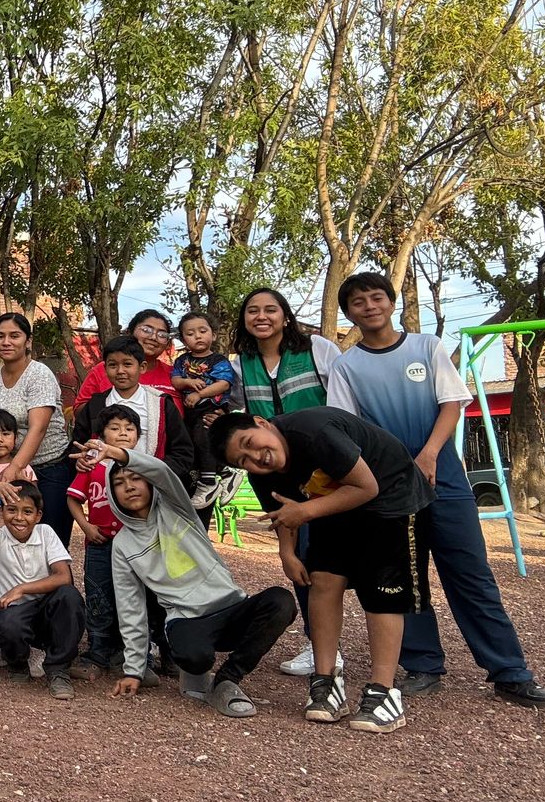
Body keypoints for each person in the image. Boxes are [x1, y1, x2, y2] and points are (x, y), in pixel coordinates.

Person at [329, 272, 545, 710]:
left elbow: (452, 403)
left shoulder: (426, 347)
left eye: (376, 297)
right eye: (357, 302)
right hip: (389, 488)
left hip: (446, 480)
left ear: (390, 302)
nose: (369, 306)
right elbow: (347, 426)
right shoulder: (347, 366)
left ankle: (510, 672)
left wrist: (431, 454)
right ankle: (423, 665)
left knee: (472, 576)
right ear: (349, 313)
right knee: (408, 580)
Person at [213, 407, 436, 733]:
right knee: (323, 581)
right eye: (242, 460)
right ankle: (326, 681)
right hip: (333, 505)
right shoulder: (263, 474)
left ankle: (383, 692)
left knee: (380, 593)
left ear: (262, 423)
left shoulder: (312, 432)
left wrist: (305, 511)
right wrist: (287, 553)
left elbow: (366, 487)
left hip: (391, 498)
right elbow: (283, 512)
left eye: (250, 443)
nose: (255, 458)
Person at [99, 445, 295, 718]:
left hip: (230, 609)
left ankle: (227, 680)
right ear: (112, 494)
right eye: (119, 483)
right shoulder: (122, 545)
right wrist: (134, 670)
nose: (129, 487)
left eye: (136, 478)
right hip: (187, 620)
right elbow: (130, 605)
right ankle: (195, 672)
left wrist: (119, 454)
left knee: (281, 601)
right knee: (194, 656)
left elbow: (163, 472)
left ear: (149, 481)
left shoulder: (177, 508)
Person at [233, 286, 344, 677]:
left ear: (285, 316)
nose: (261, 317)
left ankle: (408, 650)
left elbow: (345, 398)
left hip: (333, 462)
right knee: (300, 558)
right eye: (252, 311)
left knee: (351, 558)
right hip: (280, 469)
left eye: (270, 309)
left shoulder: (318, 349)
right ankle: (321, 645)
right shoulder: (239, 364)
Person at [0, 481, 84, 699]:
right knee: (7, 623)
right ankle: (17, 662)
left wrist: (22, 588)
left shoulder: (46, 533)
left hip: (46, 612)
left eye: (27, 512)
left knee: (70, 597)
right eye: (11, 510)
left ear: (38, 515)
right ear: (2, 512)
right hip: (15, 615)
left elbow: (64, 577)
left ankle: (58, 670)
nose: (19, 518)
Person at [0, 312, 73, 545]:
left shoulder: (39, 374)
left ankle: (61, 583)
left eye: (15, 336)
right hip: (9, 469)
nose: (6, 342)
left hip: (49, 467)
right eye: (0, 336)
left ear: (28, 341)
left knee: (49, 542)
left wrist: (16, 466)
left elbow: (38, 428)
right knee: (13, 541)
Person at [65, 406, 142, 678]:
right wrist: (85, 526)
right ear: (101, 435)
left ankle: (128, 654)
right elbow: (73, 498)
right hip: (99, 543)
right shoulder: (92, 465)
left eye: (129, 429)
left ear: (138, 436)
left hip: (133, 545)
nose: (122, 433)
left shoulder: (141, 466)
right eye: (115, 428)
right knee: (98, 595)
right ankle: (97, 652)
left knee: (131, 596)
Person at [72, 335, 194, 485]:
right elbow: (77, 445)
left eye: (127, 364)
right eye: (113, 365)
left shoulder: (161, 403)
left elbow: (182, 453)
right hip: (105, 489)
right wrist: (80, 461)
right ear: (105, 369)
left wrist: (152, 473)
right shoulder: (96, 405)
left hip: (154, 487)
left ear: (142, 367)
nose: (120, 371)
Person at [171, 311, 236, 514]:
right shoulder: (182, 361)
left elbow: (223, 384)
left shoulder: (219, 360)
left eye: (202, 331)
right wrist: (188, 382)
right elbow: (175, 380)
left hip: (210, 407)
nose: (197, 336)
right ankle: (226, 472)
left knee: (202, 436)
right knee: (193, 443)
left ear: (213, 335)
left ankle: (208, 481)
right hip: (190, 411)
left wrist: (199, 395)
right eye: (190, 333)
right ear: (183, 339)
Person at [73, 309, 178, 409]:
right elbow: (80, 411)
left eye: (162, 334)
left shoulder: (176, 375)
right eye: (146, 330)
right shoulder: (104, 370)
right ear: (129, 332)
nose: (153, 338)